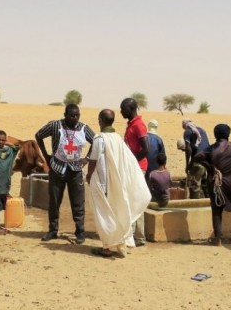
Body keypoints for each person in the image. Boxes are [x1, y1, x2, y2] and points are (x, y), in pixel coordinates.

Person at [86, 109, 151, 258]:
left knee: (104, 215)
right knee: (116, 212)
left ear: (100, 121)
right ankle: (119, 243)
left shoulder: (99, 139)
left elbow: (93, 162)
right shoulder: (118, 139)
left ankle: (107, 248)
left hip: (102, 184)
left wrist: (89, 176)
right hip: (116, 184)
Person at [35, 104, 94, 244]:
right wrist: (46, 155)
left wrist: (86, 158)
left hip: (75, 170)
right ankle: (52, 231)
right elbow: (38, 135)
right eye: (72, 115)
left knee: (78, 202)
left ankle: (80, 232)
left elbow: (96, 141)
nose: (75, 118)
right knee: (54, 201)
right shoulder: (55, 125)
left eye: (77, 115)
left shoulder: (83, 128)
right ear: (65, 115)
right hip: (57, 169)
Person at [119, 97, 148, 246]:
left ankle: (136, 237)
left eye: (123, 109)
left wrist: (132, 162)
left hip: (137, 168)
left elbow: (145, 148)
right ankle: (138, 237)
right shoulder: (131, 125)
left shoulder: (138, 125)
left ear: (130, 109)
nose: (121, 112)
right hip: (133, 167)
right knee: (134, 201)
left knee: (133, 201)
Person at [182, 119, 210, 198]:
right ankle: (209, 204)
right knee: (205, 184)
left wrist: (188, 164)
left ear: (184, 126)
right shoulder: (202, 130)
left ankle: (195, 205)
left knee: (195, 186)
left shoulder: (187, 131)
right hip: (207, 159)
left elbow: (188, 149)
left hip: (198, 160)